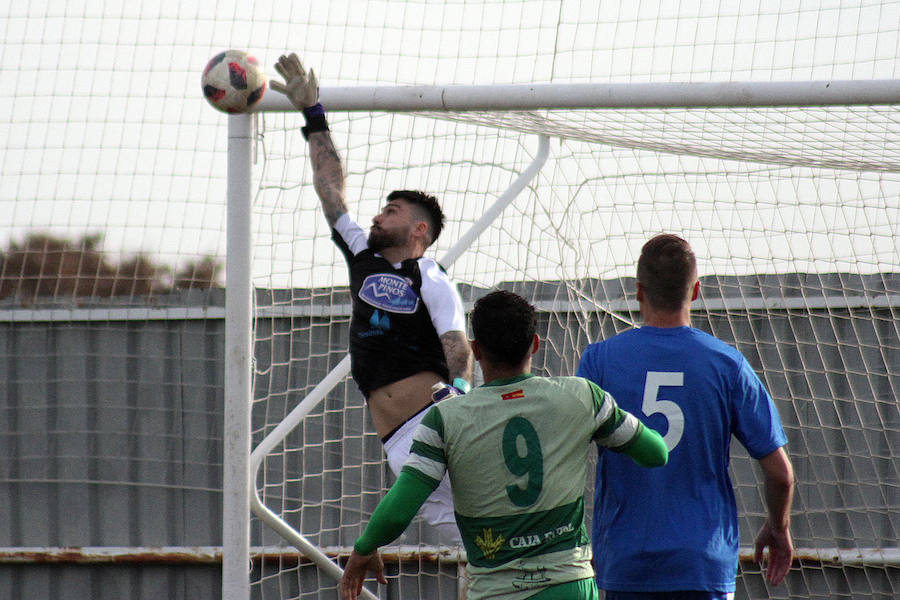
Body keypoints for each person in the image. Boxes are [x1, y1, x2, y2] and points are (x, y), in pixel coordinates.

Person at [339, 290, 669, 600]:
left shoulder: (445, 418)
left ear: (476, 349)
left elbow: (402, 506)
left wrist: (365, 547)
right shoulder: (582, 396)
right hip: (568, 584)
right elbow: (656, 453)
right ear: (536, 344)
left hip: (495, 589)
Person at [271, 53, 474, 544]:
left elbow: (457, 347)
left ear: (418, 229)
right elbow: (331, 191)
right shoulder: (362, 254)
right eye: (381, 208)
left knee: (485, 541)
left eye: (393, 209)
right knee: (470, 549)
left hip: (432, 427)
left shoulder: (429, 275)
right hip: (396, 441)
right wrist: (313, 115)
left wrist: (459, 404)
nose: (379, 215)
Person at [577, 233, 795, 600]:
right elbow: (781, 474)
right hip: (701, 565)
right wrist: (778, 526)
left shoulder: (599, 360)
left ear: (638, 291)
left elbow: (567, 452)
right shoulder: (727, 364)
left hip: (626, 563)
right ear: (695, 292)